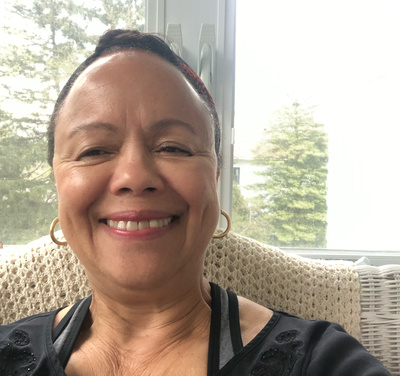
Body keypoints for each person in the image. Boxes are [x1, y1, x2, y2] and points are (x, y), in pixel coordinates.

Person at [0, 29, 391, 376]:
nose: (134, 176)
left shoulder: (320, 361)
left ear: (215, 178)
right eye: (94, 150)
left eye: (173, 147)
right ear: (59, 182)